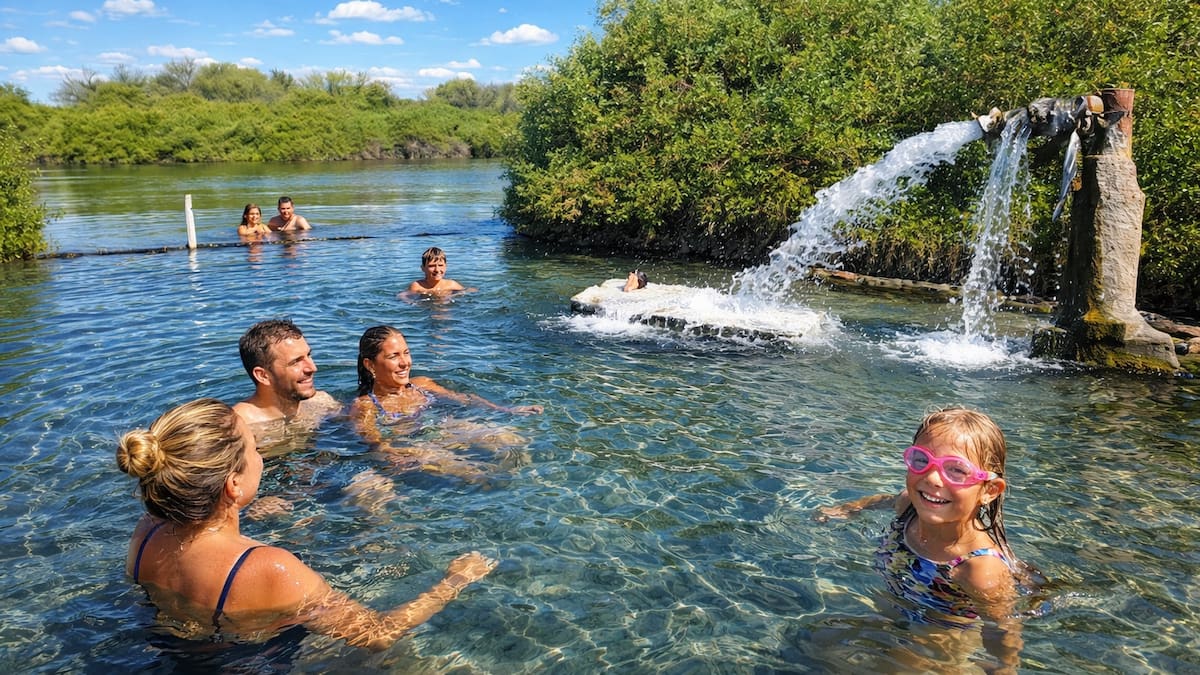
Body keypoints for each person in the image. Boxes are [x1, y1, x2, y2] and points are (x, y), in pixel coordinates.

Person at [116, 397, 497, 648]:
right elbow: (376, 634)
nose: (260, 455)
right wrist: (455, 581)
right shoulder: (270, 568)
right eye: (252, 448)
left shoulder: (147, 529)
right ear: (233, 484)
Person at [819, 407, 1025, 672]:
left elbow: (1004, 629)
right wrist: (848, 509)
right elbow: (884, 500)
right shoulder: (909, 508)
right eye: (921, 460)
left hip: (940, 635)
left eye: (956, 470)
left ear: (989, 490)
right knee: (819, 641)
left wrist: (1004, 667)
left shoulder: (978, 569)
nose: (932, 477)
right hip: (895, 606)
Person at [233, 319, 340, 431]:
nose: (312, 368)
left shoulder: (321, 403)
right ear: (263, 375)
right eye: (295, 362)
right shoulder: (239, 427)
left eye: (308, 355)